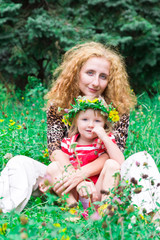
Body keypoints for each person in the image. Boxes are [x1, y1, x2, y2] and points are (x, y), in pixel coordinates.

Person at [0, 41, 159, 216]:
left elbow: (114, 153)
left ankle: (152, 220)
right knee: (19, 163)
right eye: (90, 73)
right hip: (65, 179)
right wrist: (76, 178)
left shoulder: (117, 107)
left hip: (105, 181)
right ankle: (5, 211)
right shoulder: (59, 104)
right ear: (77, 73)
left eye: (103, 76)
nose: (96, 82)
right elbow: (55, 148)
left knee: (142, 159)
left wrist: (82, 174)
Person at [39, 96, 124, 207]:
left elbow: (120, 162)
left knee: (112, 164)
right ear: (76, 121)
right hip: (74, 191)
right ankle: (73, 207)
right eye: (85, 119)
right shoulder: (68, 143)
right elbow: (62, 168)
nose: (90, 125)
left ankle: (105, 207)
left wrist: (104, 136)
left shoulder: (103, 142)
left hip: (96, 193)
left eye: (97, 121)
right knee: (53, 167)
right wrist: (48, 180)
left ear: (104, 123)